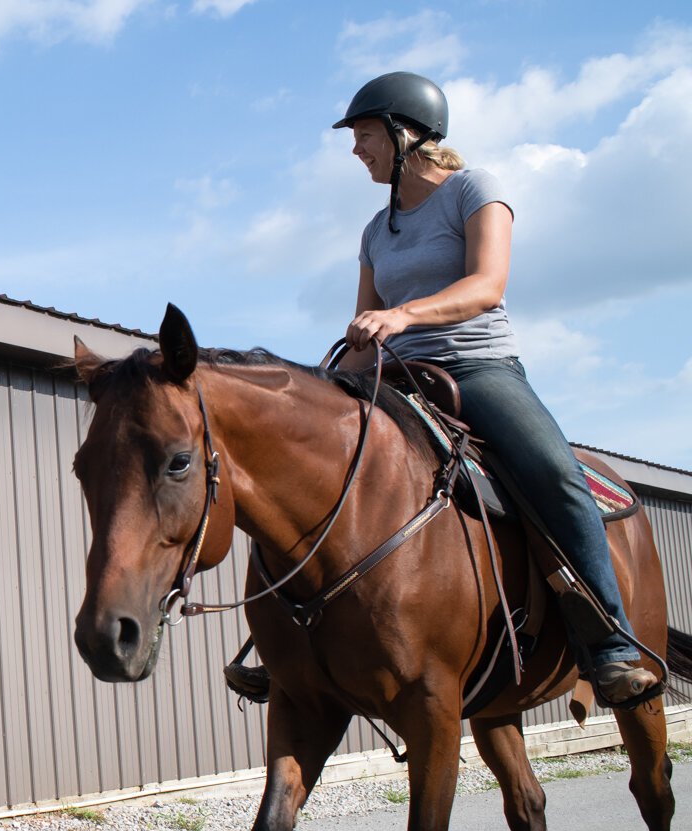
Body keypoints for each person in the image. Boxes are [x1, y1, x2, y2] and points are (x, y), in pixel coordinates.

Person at [229, 71, 655, 708]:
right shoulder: (377, 229)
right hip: (395, 378)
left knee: (555, 475)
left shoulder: (474, 191)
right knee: (317, 468)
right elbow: (366, 321)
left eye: (366, 136)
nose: (356, 151)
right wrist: (329, 382)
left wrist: (404, 315)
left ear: (406, 134)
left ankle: (612, 646)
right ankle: (283, 647)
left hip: (478, 369)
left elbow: (487, 286)